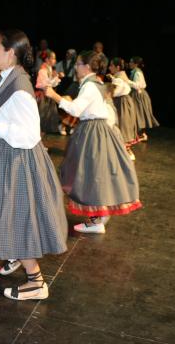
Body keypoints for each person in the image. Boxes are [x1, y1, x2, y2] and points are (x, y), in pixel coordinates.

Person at [0, 30, 68, 301]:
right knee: (5, 213)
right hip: (6, 156)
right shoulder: (7, 79)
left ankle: (36, 281)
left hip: (18, 161)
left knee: (16, 218)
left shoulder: (20, 89)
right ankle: (14, 255)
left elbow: (29, 136)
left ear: (11, 53)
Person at [45, 51, 142, 235]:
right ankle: (98, 219)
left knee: (92, 174)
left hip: (93, 132)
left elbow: (75, 110)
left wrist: (54, 95)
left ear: (87, 67)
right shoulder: (96, 83)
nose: (76, 67)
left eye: (78, 64)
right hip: (99, 130)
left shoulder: (90, 86)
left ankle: (98, 220)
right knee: (98, 174)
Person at [109, 58, 138, 159]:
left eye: (111, 65)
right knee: (122, 125)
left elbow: (114, 92)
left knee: (122, 124)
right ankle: (123, 150)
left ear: (117, 67)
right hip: (125, 101)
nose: (109, 67)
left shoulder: (118, 79)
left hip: (121, 103)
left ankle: (127, 152)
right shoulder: (122, 76)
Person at [128, 56, 159, 141]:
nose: (130, 63)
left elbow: (139, 85)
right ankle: (139, 134)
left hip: (138, 96)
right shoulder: (135, 72)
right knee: (136, 115)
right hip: (136, 94)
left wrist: (127, 81)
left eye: (131, 62)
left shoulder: (138, 73)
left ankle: (142, 135)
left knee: (139, 114)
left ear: (136, 64)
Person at [35, 50, 64, 135]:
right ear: (47, 59)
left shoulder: (50, 68)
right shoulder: (43, 70)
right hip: (43, 95)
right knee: (43, 114)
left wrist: (56, 77)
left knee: (49, 114)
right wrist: (55, 77)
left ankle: (46, 130)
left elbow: (52, 84)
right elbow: (42, 84)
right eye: (53, 58)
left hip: (48, 94)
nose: (55, 60)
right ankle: (39, 132)